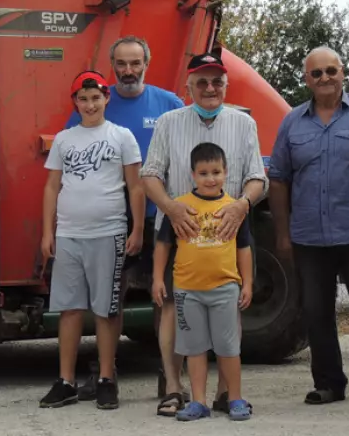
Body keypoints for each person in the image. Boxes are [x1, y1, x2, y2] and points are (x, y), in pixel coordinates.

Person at [267, 45, 349, 409]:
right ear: (306, 79)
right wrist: (283, 233)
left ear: (343, 73)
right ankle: (328, 384)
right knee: (316, 312)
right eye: (317, 73)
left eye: (331, 70)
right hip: (309, 236)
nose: (325, 78)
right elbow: (278, 178)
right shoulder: (292, 122)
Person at [140, 49, 267, 417]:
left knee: (231, 309)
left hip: (227, 235)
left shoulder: (244, 123)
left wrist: (242, 205)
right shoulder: (168, 122)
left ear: (225, 85)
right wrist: (171, 207)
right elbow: (149, 175)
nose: (210, 88)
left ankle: (227, 393)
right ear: (189, 87)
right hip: (179, 233)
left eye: (217, 82)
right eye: (202, 82)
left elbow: (257, 178)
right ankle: (174, 388)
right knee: (171, 309)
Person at [64, 36, 184, 400]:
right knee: (108, 300)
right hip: (113, 221)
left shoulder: (170, 104)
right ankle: (106, 375)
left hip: (163, 218)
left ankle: (169, 378)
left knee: (166, 298)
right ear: (112, 65)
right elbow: (72, 156)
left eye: (135, 63)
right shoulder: (97, 103)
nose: (128, 70)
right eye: (121, 64)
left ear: (147, 63)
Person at [39, 70, 145, 410]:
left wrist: (137, 229)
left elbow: (136, 186)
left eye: (96, 98)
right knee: (70, 309)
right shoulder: (64, 139)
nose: (90, 105)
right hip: (69, 234)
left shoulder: (121, 136)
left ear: (106, 98)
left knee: (106, 309)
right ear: (75, 102)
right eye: (83, 99)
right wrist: (48, 232)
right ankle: (66, 381)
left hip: (109, 232)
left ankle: (106, 379)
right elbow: (52, 187)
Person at [152, 142, 254, 422]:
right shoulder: (179, 208)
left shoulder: (234, 209)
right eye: (204, 173)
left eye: (216, 172)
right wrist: (158, 278)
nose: (211, 179)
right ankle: (198, 402)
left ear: (226, 172)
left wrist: (247, 283)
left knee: (228, 348)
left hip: (225, 289)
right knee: (194, 349)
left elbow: (244, 249)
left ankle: (235, 398)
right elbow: (163, 245)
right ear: (193, 175)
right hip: (187, 291)